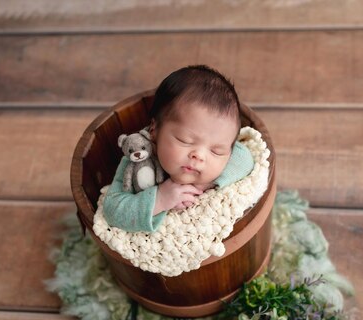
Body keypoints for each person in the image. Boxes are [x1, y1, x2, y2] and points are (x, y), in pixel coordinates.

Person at [103, 65, 255, 232]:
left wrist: (206, 184)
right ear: (154, 131)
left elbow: (245, 158)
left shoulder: (228, 155)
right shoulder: (139, 159)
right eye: (185, 140)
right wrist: (159, 199)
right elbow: (112, 210)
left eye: (216, 151)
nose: (199, 156)